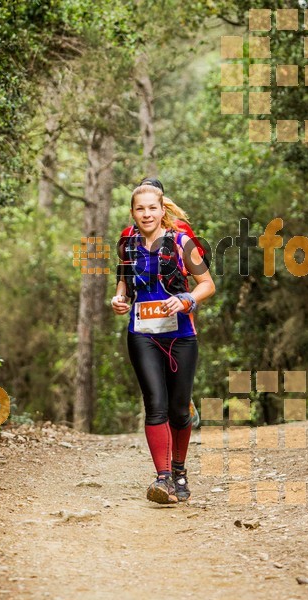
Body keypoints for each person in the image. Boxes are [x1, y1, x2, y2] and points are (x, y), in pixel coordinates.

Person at [112, 183, 215, 504]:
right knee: (155, 404)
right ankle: (163, 478)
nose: (146, 214)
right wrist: (119, 299)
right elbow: (123, 286)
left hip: (181, 336)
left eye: (152, 208)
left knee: (179, 410)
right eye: (140, 209)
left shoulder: (182, 242)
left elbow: (207, 284)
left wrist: (186, 299)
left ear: (162, 211)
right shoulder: (127, 245)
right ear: (133, 213)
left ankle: (180, 470)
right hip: (141, 335)